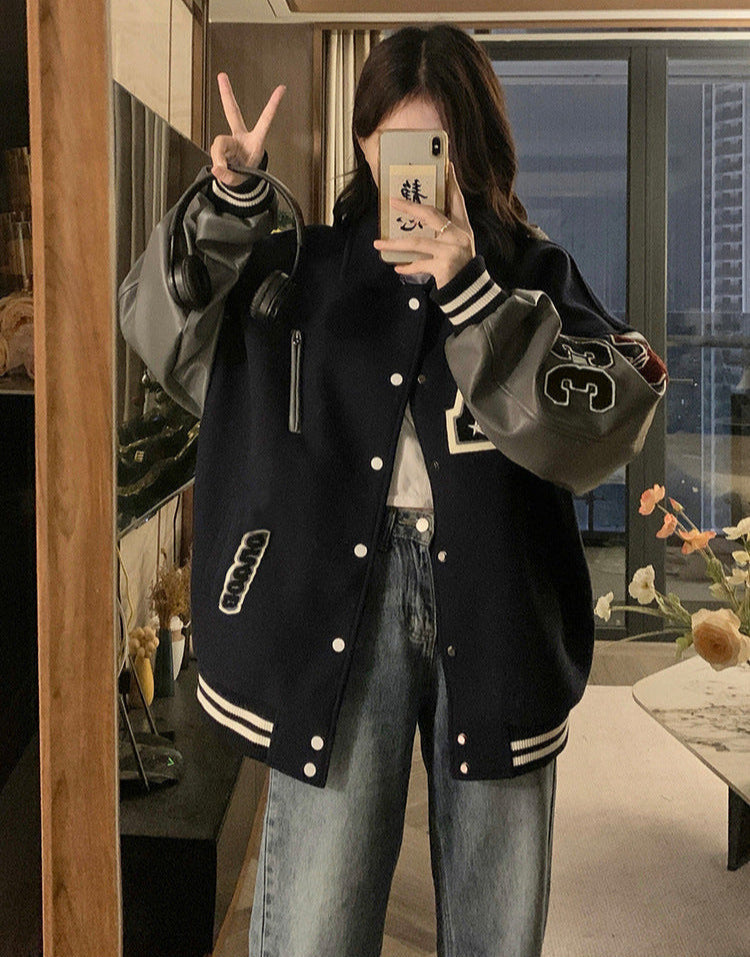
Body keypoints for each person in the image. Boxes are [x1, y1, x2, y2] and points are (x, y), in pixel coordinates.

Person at [119, 25, 666, 957]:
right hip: (340, 595)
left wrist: (473, 293)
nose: (409, 168)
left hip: (496, 602)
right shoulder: (308, 266)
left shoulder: (529, 272)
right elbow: (161, 332)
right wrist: (230, 201)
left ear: (472, 147)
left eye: (433, 143)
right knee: (315, 926)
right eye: (390, 140)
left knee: (496, 930)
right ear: (365, 143)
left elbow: (610, 413)